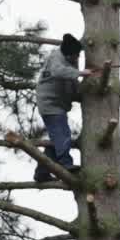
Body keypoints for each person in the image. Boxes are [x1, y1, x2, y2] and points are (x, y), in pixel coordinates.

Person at [34, 34, 96, 182]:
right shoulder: (57, 57)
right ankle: (65, 164)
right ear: (68, 53)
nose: (77, 57)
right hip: (50, 105)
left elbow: (72, 81)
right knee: (63, 135)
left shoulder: (71, 60)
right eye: (76, 55)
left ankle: (41, 172)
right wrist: (81, 73)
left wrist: (79, 93)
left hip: (58, 105)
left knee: (56, 139)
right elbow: (58, 72)